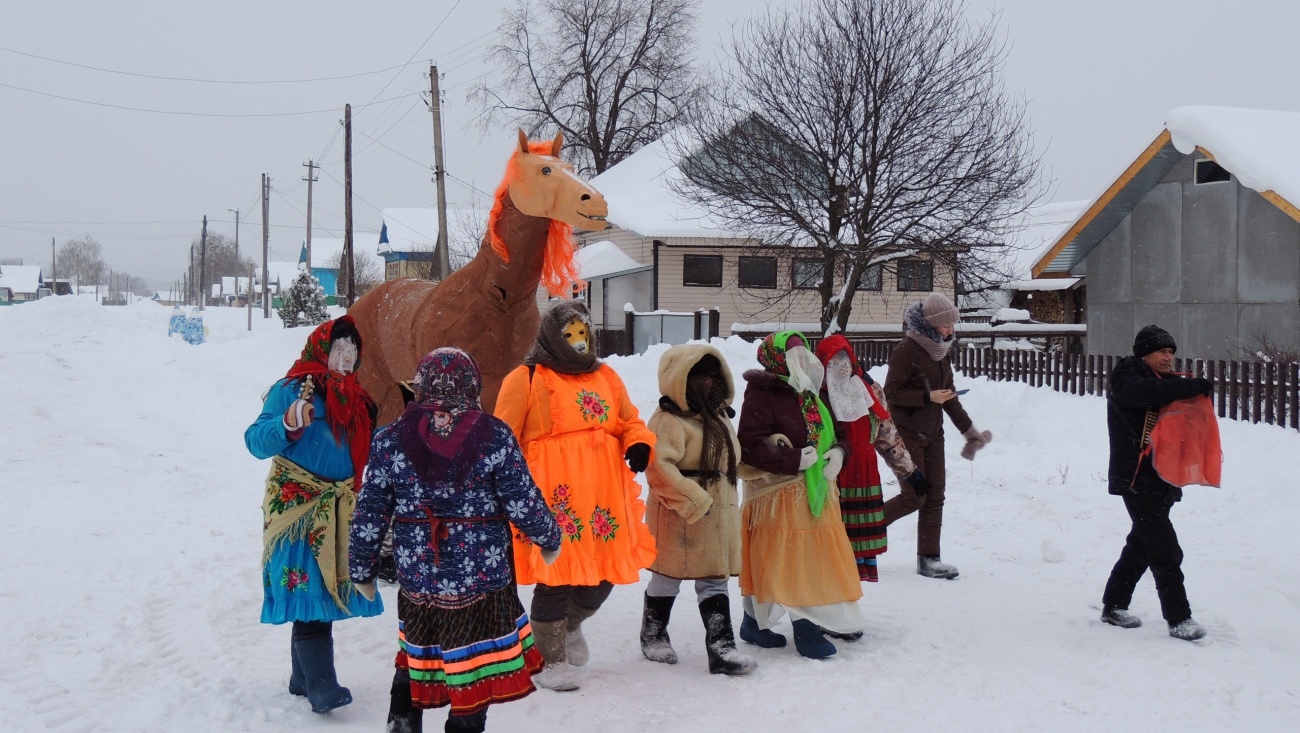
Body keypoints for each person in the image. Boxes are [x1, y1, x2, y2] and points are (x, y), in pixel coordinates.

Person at [349, 348, 563, 733]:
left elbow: (370, 512)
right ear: (473, 384)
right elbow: (522, 499)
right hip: (480, 582)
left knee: (416, 653)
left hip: (419, 579)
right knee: (473, 667)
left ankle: (402, 722)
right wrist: (548, 537)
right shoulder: (494, 435)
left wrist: (362, 568)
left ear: (421, 384)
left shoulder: (390, 439)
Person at [493, 300, 657, 691]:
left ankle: (568, 626)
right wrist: (505, 490)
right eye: (569, 335)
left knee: (603, 573)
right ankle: (550, 661)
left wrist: (638, 442)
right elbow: (502, 438)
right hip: (554, 495)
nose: (578, 342)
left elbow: (629, 421)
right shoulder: (526, 377)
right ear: (552, 336)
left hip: (602, 493)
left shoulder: (606, 376)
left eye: (583, 333)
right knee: (557, 575)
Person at [243, 315, 383, 713]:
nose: (346, 357)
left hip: (339, 507)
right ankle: (322, 683)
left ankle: (302, 677)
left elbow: (368, 451)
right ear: (321, 350)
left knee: (321, 590)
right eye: (338, 349)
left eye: (353, 351)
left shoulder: (359, 399)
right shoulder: (290, 389)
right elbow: (254, 440)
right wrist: (287, 424)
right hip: (297, 508)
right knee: (310, 589)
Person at [736, 331, 862, 659]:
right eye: (795, 357)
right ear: (778, 359)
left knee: (800, 560)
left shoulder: (810, 393)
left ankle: (754, 623)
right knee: (786, 559)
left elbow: (838, 430)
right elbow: (747, 444)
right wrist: (790, 460)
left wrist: (839, 452)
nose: (803, 363)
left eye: (804, 355)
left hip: (817, 492)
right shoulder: (762, 394)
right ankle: (805, 628)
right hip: (778, 496)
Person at [642, 344, 757, 675]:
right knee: (666, 579)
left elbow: (732, 462)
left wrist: (774, 463)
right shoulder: (668, 421)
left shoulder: (719, 418)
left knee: (714, 582)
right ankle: (652, 635)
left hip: (716, 518)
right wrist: (695, 500)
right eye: (699, 375)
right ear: (681, 379)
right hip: (677, 517)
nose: (708, 381)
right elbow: (659, 469)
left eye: (713, 374)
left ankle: (722, 649)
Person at [1101, 324, 1215, 641]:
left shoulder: (1163, 380)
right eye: (1163, 351)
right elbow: (1147, 394)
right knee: (1165, 550)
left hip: (1162, 477)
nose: (1168, 358)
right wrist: (1189, 387)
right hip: (1136, 477)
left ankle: (1113, 605)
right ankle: (1179, 618)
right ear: (1145, 353)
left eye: (1171, 352)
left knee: (1141, 546)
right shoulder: (1127, 377)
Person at [882, 293, 992, 579]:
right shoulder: (907, 349)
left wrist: (970, 432)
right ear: (931, 325)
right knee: (915, 495)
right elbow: (891, 394)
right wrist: (926, 396)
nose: (951, 330)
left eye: (953, 325)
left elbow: (950, 397)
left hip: (933, 434)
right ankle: (861, 531)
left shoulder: (941, 352)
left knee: (935, 496)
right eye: (946, 325)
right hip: (907, 434)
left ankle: (929, 558)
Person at [815, 334, 930, 582]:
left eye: (844, 359)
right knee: (832, 544)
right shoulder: (816, 395)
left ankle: (849, 596)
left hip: (865, 474)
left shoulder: (870, 390)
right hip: (832, 475)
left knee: (856, 549)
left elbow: (887, 437)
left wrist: (910, 472)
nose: (841, 367)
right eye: (834, 361)